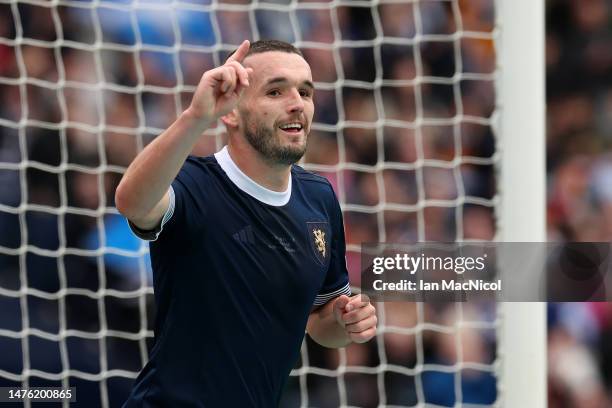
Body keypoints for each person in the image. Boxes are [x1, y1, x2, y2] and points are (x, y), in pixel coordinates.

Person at [115, 39, 378, 407]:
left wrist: (346, 322)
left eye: (305, 91)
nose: (297, 103)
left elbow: (321, 322)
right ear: (231, 113)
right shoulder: (194, 183)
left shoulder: (319, 197)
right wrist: (195, 117)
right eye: (275, 91)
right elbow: (131, 202)